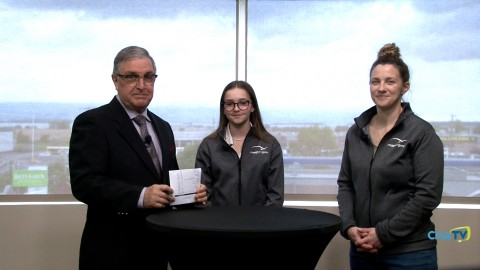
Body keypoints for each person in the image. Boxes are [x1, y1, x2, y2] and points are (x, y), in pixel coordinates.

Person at [69, 45, 207, 270]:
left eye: (148, 77)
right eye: (132, 77)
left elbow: (167, 184)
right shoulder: (93, 123)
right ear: (115, 80)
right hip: (112, 253)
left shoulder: (163, 127)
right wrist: (141, 196)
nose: (142, 85)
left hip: (156, 250)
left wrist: (191, 194)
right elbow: (84, 184)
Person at [337, 43, 444, 269]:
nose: (381, 88)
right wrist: (349, 227)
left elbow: (426, 197)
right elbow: (346, 184)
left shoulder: (421, 133)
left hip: (409, 254)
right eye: (375, 81)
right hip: (362, 250)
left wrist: (383, 234)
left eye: (390, 81)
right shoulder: (355, 133)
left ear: (405, 87)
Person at [195, 80, 284, 206]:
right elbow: (203, 196)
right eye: (230, 104)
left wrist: (263, 224)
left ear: (252, 106)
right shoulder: (209, 146)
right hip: (219, 224)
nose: (236, 109)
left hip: (260, 224)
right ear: (224, 109)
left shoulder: (270, 145)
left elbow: (275, 197)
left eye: (243, 103)